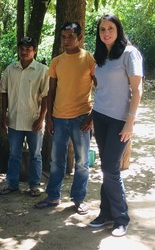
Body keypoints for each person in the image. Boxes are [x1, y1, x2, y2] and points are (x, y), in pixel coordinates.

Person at [89, 14, 143, 236]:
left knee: (110, 168)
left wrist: (130, 121)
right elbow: (99, 86)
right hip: (100, 116)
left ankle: (121, 217)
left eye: (110, 28)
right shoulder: (101, 56)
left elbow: (138, 90)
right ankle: (106, 213)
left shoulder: (130, 53)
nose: (106, 33)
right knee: (107, 167)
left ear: (118, 30)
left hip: (120, 120)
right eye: (102, 29)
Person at [34, 22, 95, 214]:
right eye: (63, 37)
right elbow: (51, 91)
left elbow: (101, 87)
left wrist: (92, 116)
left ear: (79, 37)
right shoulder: (56, 61)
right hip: (59, 118)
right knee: (56, 161)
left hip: (81, 118)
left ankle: (78, 199)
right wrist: (50, 118)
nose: (66, 40)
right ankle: (53, 196)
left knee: (82, 162)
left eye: (70, 36)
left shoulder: (88, 59)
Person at [0, 36, 49, 197]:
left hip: (33, 120)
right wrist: (4, 114)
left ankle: (34, 185)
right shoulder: (10, 69)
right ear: (18, 50)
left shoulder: (42, 70)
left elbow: (46, 96)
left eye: (28, 49)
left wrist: (41, 119)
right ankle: (12, 183)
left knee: (35, 154)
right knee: (14, 154)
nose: (24, 51)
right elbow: (4, 94)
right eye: (22, 48)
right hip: (14, 120)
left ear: (35, 51)